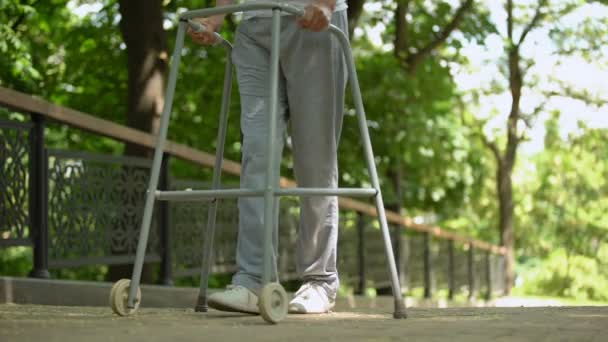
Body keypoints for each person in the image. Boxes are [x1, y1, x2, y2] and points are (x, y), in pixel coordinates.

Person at [188, 0, 348, 314]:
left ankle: (320, 280)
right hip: (254, 25)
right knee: (257, 152)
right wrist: (217, 16)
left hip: (311, 21)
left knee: (315, 158)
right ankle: (252, 279)